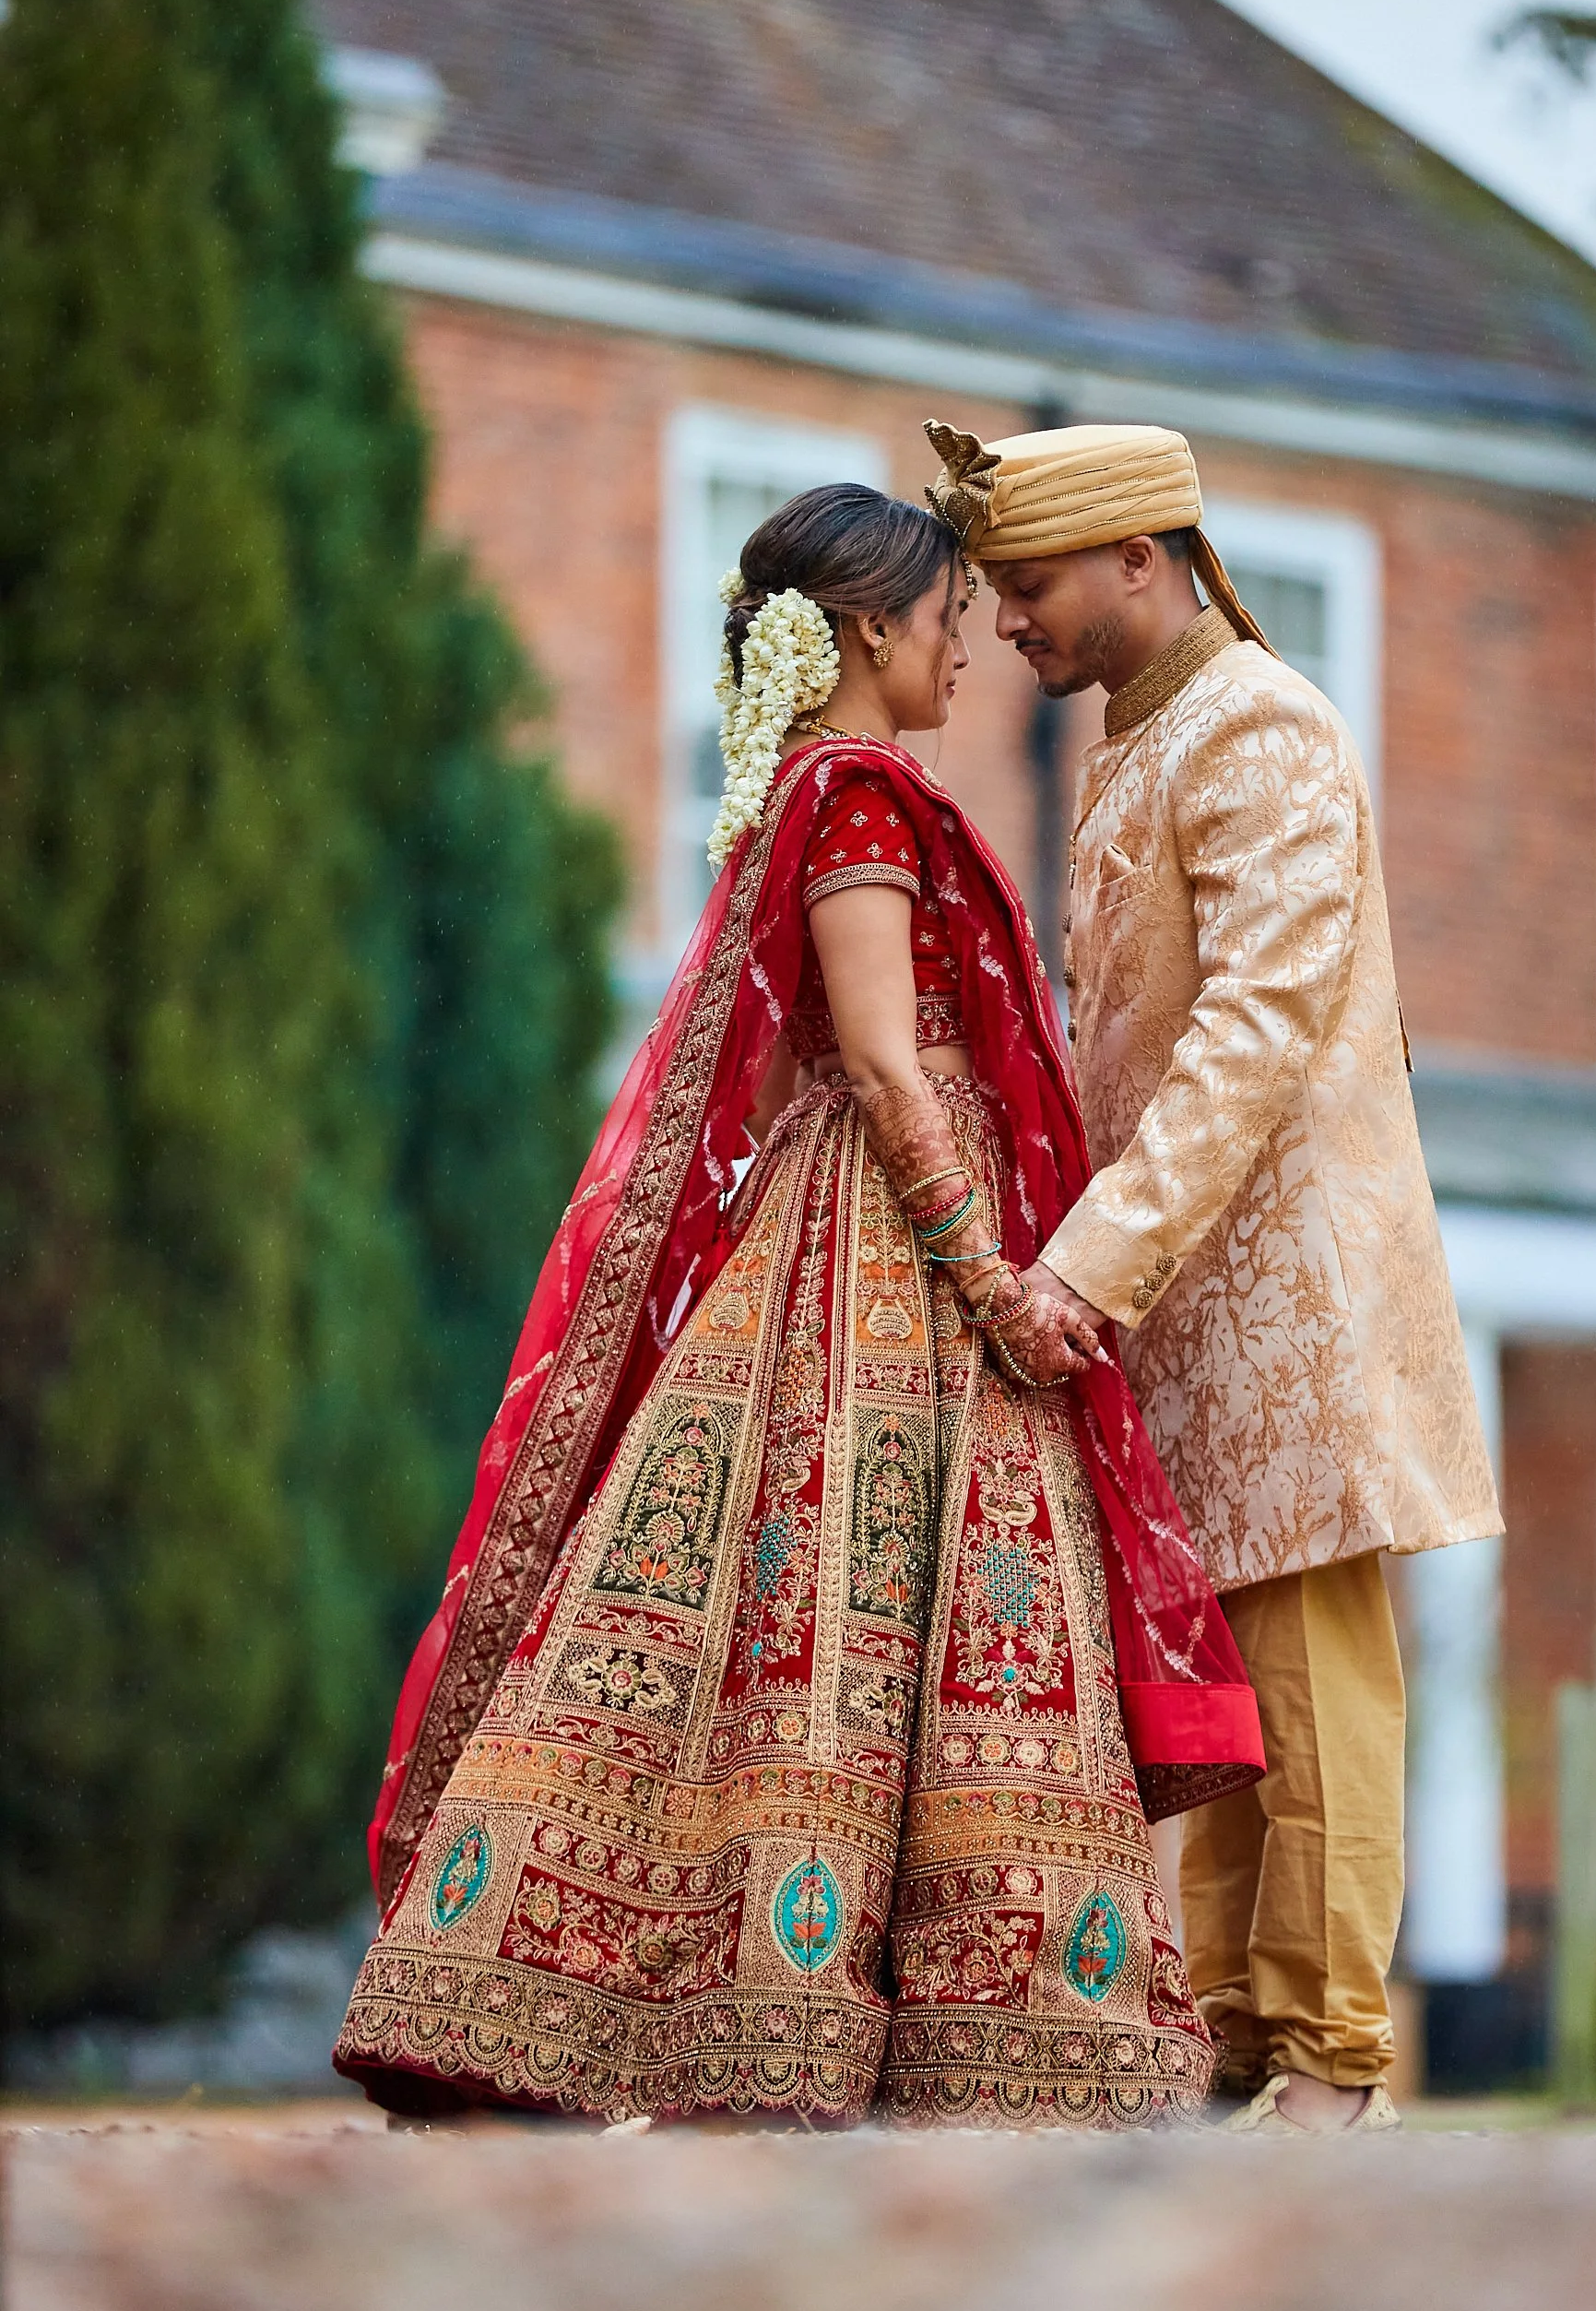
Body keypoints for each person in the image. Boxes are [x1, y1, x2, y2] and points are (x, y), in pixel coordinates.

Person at [334, 483, 1262, 2130]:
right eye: (943, 619)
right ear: (865, 632)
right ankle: (823, 2006)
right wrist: (995, 1281)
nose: (968, 645)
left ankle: (857, 2012)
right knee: (858, 1594)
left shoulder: (828, 790)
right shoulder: (851, 797)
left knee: (841, 1606)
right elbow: (891, 1071)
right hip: (892, 1249)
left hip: (874, 1241)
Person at [927, 417, 1502, 2135]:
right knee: (1229, 1693)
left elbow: (1255, 1030)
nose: (1010, 624)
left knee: (1314, 1675)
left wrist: (1084, 1265)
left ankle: (1331, 2062)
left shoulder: (1257, 724)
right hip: (1194, 1290)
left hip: (1293, 1294)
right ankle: (1245, 2043)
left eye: (1027, 586)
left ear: (1137, 558)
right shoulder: (1146, 741)